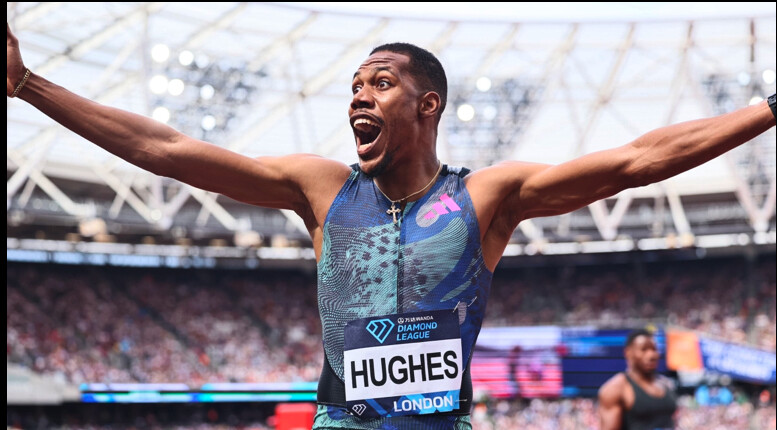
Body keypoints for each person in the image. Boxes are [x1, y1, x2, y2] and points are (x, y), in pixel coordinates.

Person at [7, 22, 777, 429]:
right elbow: (167, 150)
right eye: (352, 86)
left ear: (426, 105)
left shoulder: (485, 197)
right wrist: (29, 84)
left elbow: (638, 160)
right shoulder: (320, 189)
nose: (357, 97)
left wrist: (770, 108)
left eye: (379, 83)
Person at [597, 329, 677, 430]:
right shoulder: (616, 388)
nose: (651, 355)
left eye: (654, 349)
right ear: (628, 352)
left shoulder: (666, 384)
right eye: (644, 349)